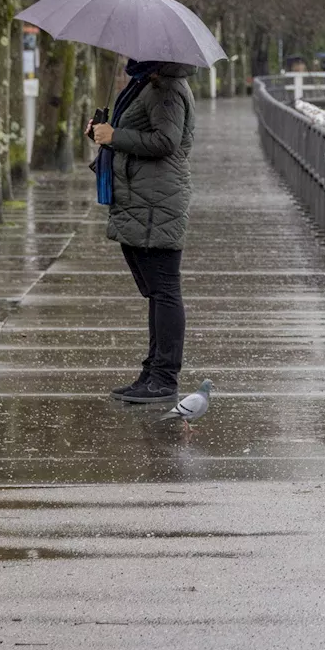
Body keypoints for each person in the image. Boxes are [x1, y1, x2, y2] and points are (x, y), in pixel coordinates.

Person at [90, 59, 197, 403]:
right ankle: (152, 372)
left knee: (164, 289)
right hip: (142, 198)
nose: (128, 57)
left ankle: (165, 377)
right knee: (155, 290)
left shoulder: (166, 88)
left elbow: (167, 140)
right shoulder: (147, 84)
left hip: (156, 201)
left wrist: (115, 135)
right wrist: (104, 133)